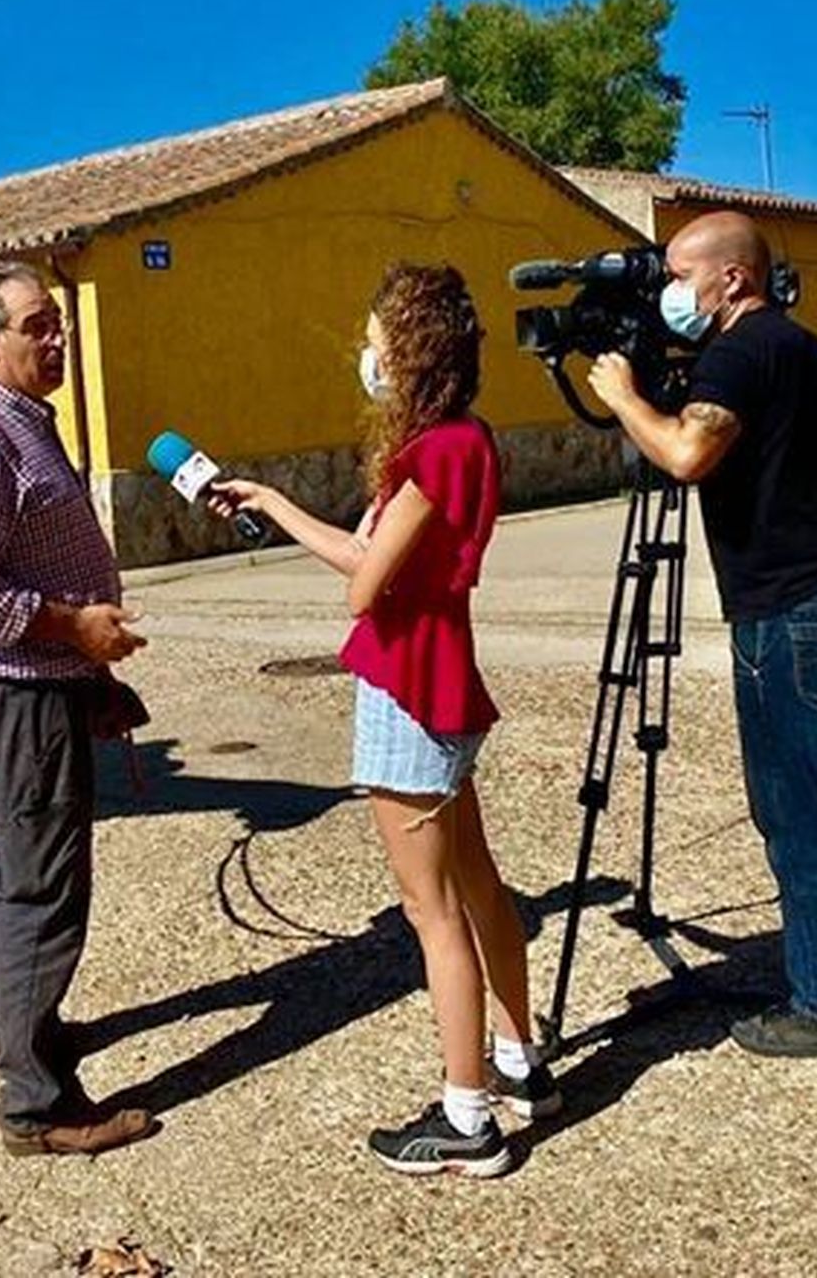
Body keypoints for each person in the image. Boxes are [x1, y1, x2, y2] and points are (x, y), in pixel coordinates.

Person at [212, 263, 558, 1180]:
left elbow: (368, 585)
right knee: (481, 888)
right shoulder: (468, 441)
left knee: (431, 911)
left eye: (374, 338)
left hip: (409, 692)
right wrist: (279, 505)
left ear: (408, 350)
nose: (365, 354)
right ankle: (523, 1062)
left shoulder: (432, 453)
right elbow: (381, 554)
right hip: (445, 679)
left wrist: (315, 530)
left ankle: (466, 1118)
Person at [584, 211, 817, 1059]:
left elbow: (683, 454)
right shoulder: (808, 349)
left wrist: (625, 397)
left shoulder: (738, 355)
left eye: (680, 275)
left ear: (733, 279)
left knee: (799, 804)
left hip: (795, 612)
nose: (671, 292)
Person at [0, 260, 154, 1156]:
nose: (55, 339)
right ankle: (38, 1105)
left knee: (9, 864)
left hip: (35, 686)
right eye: (36, 327)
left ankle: (0, 1032)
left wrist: (91, 672)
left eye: (57, 322)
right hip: (16, 696)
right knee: (43, 888)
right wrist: (74, 628)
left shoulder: (22, 419)